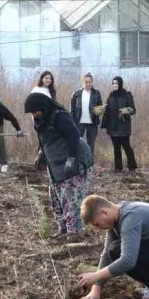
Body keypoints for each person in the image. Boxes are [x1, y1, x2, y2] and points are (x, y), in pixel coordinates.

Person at [77, 195, 149, 299]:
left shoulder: (130, 217)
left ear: (104, 212)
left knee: (117, 250)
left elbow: (128, 261)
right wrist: (95, 290)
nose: (99, 228)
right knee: (113, 249)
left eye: (97, 224)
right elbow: (106, 255)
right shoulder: (117, 216)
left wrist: (96, 275)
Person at [25, 92, 95, 237]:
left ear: (43, 107)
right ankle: (63, 229)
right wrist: (41, 155)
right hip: (55, 163)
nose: (34, 114)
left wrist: (71, 159)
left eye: (35, 111)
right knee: (57, 197)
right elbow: (43, 141)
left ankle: (74, 231)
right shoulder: (40, 121)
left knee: (71, 197)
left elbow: (74, 136)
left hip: (76, 159)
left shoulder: (59, 116)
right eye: (32, 113)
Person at [101, 76, 137, 172]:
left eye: (116, 83)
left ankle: (132, 166)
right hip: (113, 127)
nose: (114, 85)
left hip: (124, 127)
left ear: (120, 84)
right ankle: (118, 168)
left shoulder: (127, 95)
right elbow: (107, 112)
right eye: (113, 83)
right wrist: (104, 124)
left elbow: (133, 110)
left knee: (126, 147)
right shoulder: (111, 97)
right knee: (116, 148)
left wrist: (125, 110)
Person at [70, 73, 103, 158]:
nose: (88, 84)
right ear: (83, 82)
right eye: (86, 82)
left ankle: (89, 165)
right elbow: (72, 110)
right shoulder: (76, 93)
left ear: (92, 82)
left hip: (92, 122)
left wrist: (98, 111)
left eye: (89, 82)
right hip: (79, 122)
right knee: (77, 142)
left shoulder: (96, 93)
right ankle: (78, 163)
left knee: (90, 144)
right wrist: (72, 122)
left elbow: (100, 107)